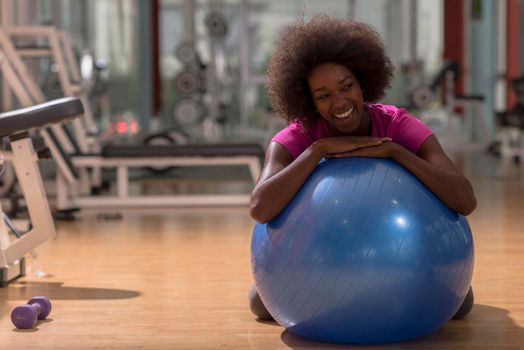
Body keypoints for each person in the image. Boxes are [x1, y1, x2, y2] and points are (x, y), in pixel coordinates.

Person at [248, 15, 477, 321]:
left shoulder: (396, 125)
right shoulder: (297, 137)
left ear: (363, 83)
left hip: (403, 258)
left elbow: (465, 200)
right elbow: (260, 208)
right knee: (260, 304)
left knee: (460, 303)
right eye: (323, 96)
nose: (340, 102)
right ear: (309, 102)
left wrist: (395, 152)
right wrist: (319, 150)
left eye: (347, 87)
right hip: (314, 259)